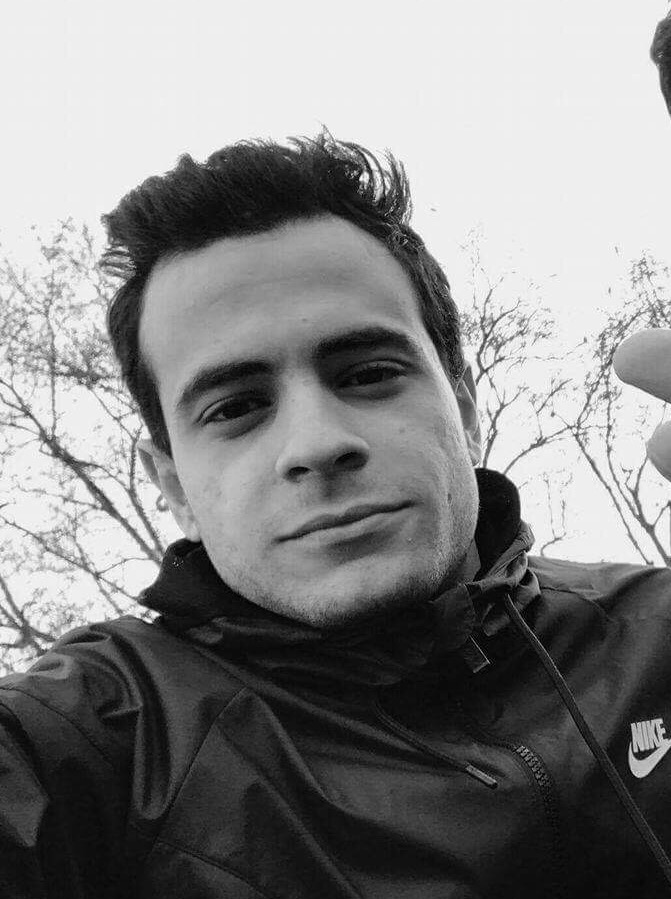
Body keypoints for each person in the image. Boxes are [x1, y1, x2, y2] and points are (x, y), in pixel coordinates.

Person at [2, 23, 671, 899]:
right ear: (172, 485)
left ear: (465, 405)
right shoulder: (86, 746)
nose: (317, 442)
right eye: (235, 408)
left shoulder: (658, 633)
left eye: (367, 373)